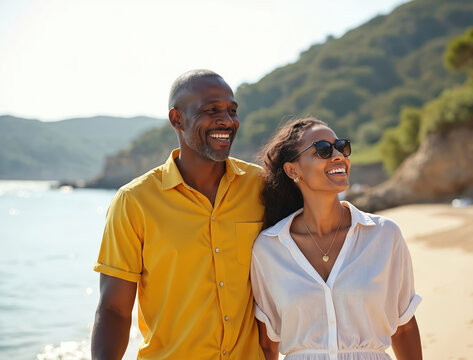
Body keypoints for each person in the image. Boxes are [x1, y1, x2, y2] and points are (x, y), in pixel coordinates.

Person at [91, 70, 265, 359]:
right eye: (211, 110)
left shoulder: (260, 186)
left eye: (232, 111)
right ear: (177, 119)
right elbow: (114, 310)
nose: (227, 120)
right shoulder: (134, 201)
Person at [251, 118, 423, 360]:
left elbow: (404, 327)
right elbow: (268, 346)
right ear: (293, 170)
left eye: (342, 147)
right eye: (323, 149)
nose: (338, 156)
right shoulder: (268, 249)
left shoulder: (384, 235)